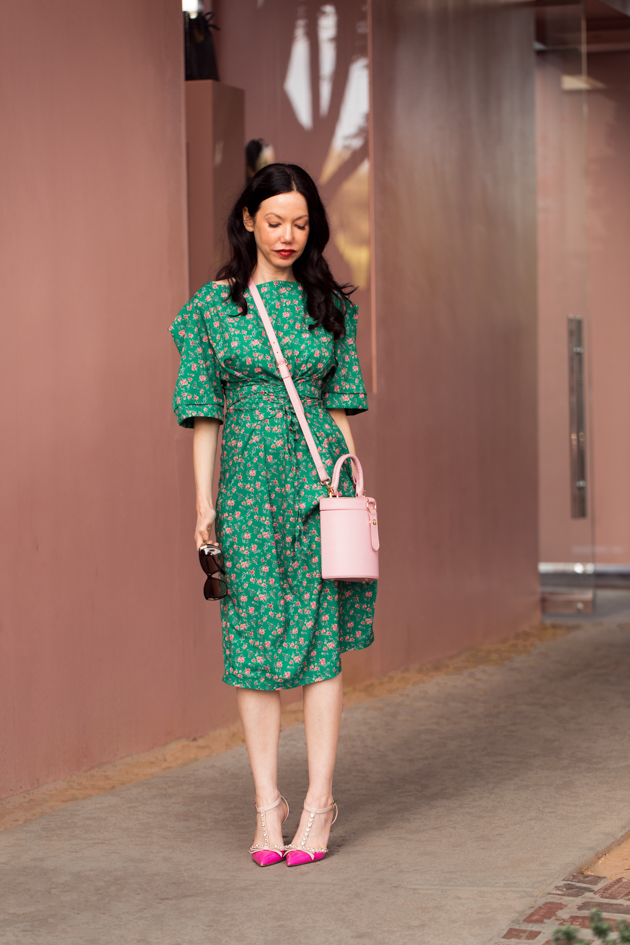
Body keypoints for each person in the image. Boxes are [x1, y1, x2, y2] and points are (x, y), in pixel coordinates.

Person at [169, 163, 376, 867]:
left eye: (302, 223)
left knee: (320, 643)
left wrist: (353, 492)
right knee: (253, 648)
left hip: (319, 481)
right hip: (247, 488)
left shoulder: (330, 306)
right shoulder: (210, 309)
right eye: (276, 221)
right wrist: (203, 504)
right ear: (250, 220)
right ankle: (268, 805)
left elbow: (343, 410)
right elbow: (205, 416)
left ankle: (318, 801)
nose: (288, 235)